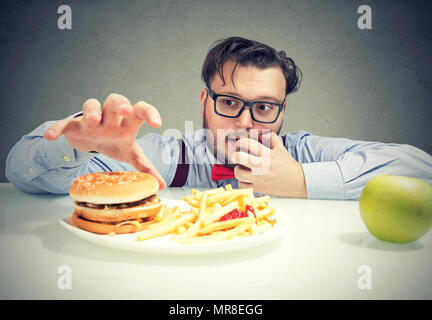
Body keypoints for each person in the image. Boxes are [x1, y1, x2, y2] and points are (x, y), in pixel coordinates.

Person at [5, 37, 432, 200]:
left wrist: (302, 181)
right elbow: (23, 176)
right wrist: (76, 146)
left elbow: (422, 170)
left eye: (264, 108)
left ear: (283, 113)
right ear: (205, 101)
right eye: (229, 102)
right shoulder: (169, 158)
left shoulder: (303, 151)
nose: (246, 123)